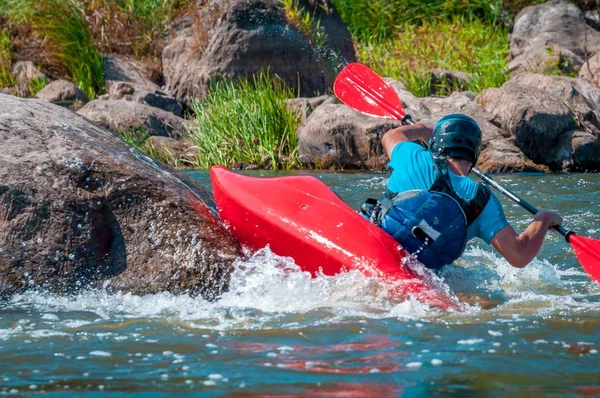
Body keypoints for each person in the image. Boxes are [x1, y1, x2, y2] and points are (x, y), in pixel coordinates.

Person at [362, 113, 563, 270]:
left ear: (435, 143)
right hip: (423, 272)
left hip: (374, 245)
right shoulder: (482, 201)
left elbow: (391, 136)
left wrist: (423, 129)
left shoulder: (413, 156)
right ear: (475, 154)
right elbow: (519, 256)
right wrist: (543, 220)